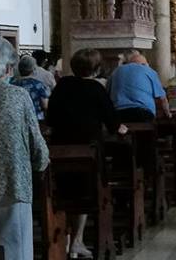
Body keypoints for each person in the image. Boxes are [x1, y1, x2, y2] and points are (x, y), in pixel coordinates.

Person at [47, 48, 127, 259]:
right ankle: (77, 241)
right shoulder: (95, 89)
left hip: (60, 147)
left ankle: (66, 239)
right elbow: (111, 121)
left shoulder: (62, 86)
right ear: (97, 68)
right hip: (87, 150)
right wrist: (120, 128)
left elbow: (51, 117)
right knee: (85, 193)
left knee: (64, 191)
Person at [0, 38, 49, 260]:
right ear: (8, 68)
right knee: (13, 250)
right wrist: (42, 163)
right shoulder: (17, 96)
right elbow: (35, 141)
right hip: (11, 183)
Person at [107, 49, 171, 122]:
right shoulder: (149, 71)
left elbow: (107, 94)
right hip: (143, 113)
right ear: (145, 64)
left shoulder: (116, 71)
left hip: (118, 114)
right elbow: (163, 99)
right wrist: (168, 114)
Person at [10, 55, 50, 120]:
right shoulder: (38, 85)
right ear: (33, 69)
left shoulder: (13, 83)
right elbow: (45, 105)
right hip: (36, 118)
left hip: (18, 118)